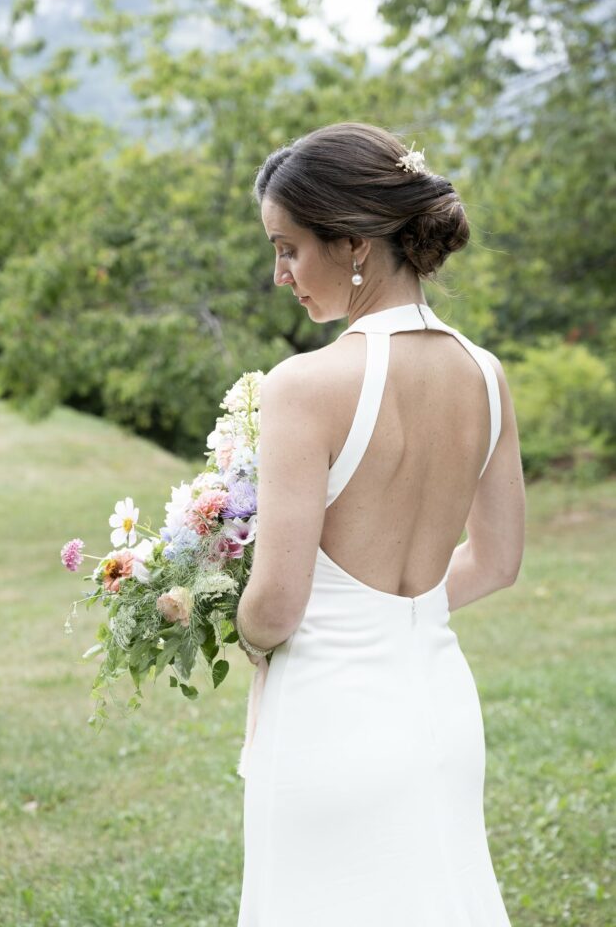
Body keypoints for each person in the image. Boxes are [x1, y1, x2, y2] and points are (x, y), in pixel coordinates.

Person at [234, 122, 525, 926]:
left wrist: (230, 622)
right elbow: (498, 562)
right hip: (440, 714)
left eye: (288, 247)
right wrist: (404, 608)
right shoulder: (484, 373)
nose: (279, 273)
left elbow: (277, 604)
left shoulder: (305, 386)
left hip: (330, 726)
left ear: (355, 243)